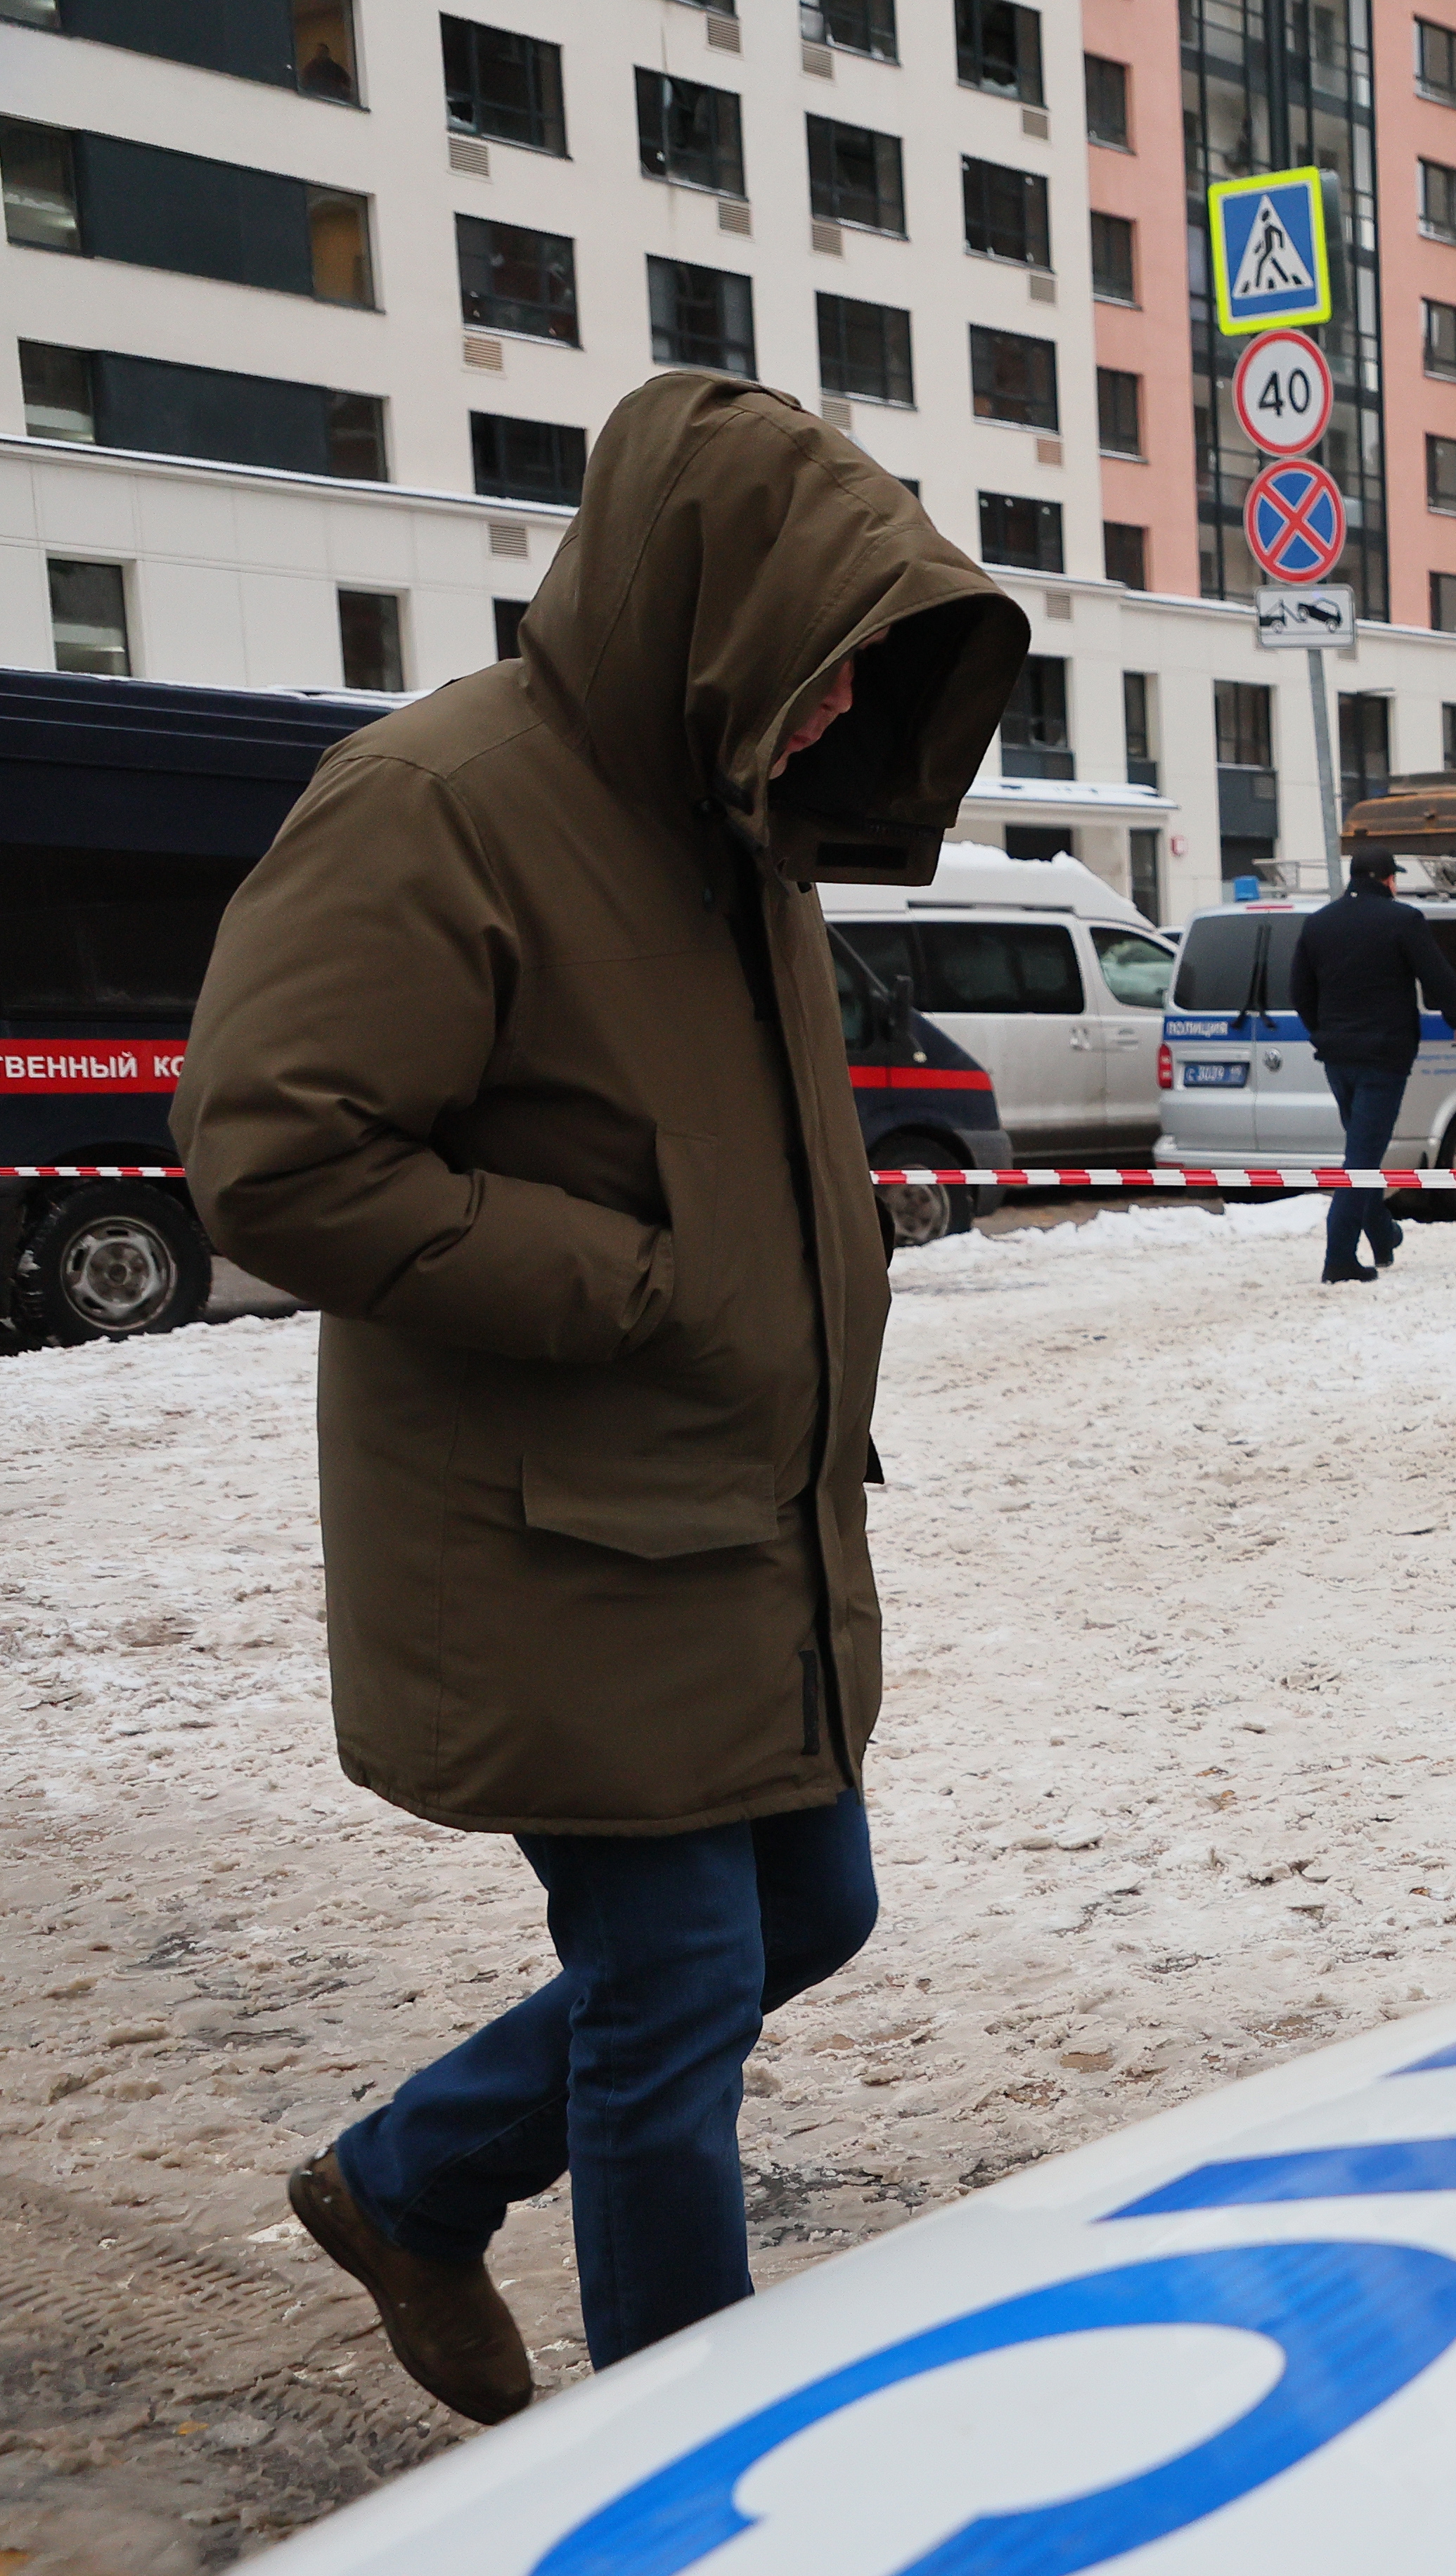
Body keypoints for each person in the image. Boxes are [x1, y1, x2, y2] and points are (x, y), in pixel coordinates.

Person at [172, 374, 1027, 2419]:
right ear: (706, 621)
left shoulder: (742, 837)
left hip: (731, 1521)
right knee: (673, 1991)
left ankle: (412, 2179)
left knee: (815, 1903)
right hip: (551, 1533)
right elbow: (272, 1150)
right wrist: (624, 1279)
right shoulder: (444, 803)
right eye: (817, 671)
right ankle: (676, 2490)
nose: (837, 720)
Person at [1289, 847, 1456, 1281]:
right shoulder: (1402, 921)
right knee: (1362, 1159)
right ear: (1388, 880)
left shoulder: (1318, 924)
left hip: (1338, 1057)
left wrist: (1323, 1031)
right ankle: (1339, 1258)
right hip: (1384, 1057)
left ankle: (1383, 1235)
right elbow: (1436, 974)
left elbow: (1299, 989)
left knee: (1361, 1151)